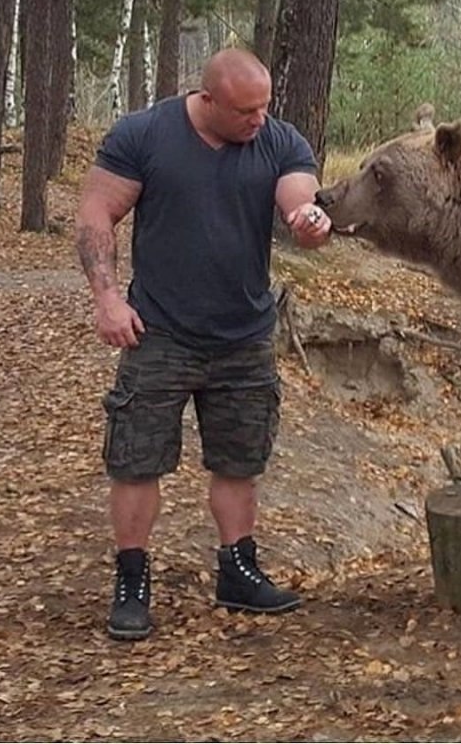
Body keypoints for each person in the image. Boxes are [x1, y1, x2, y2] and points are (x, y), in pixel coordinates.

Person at [75, 47, 332, 641]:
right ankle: (132, 580)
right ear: (207, 99)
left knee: (239, 460)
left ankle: (238, 571)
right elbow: (95, 213)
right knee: (137, 460)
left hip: (243, 335)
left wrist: (307, 222)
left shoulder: (278, 139)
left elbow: (299, 199)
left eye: (265, 107)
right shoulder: (144, 134)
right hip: (159, 331)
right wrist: (107, 298)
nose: (258, 120)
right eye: (245, 110)